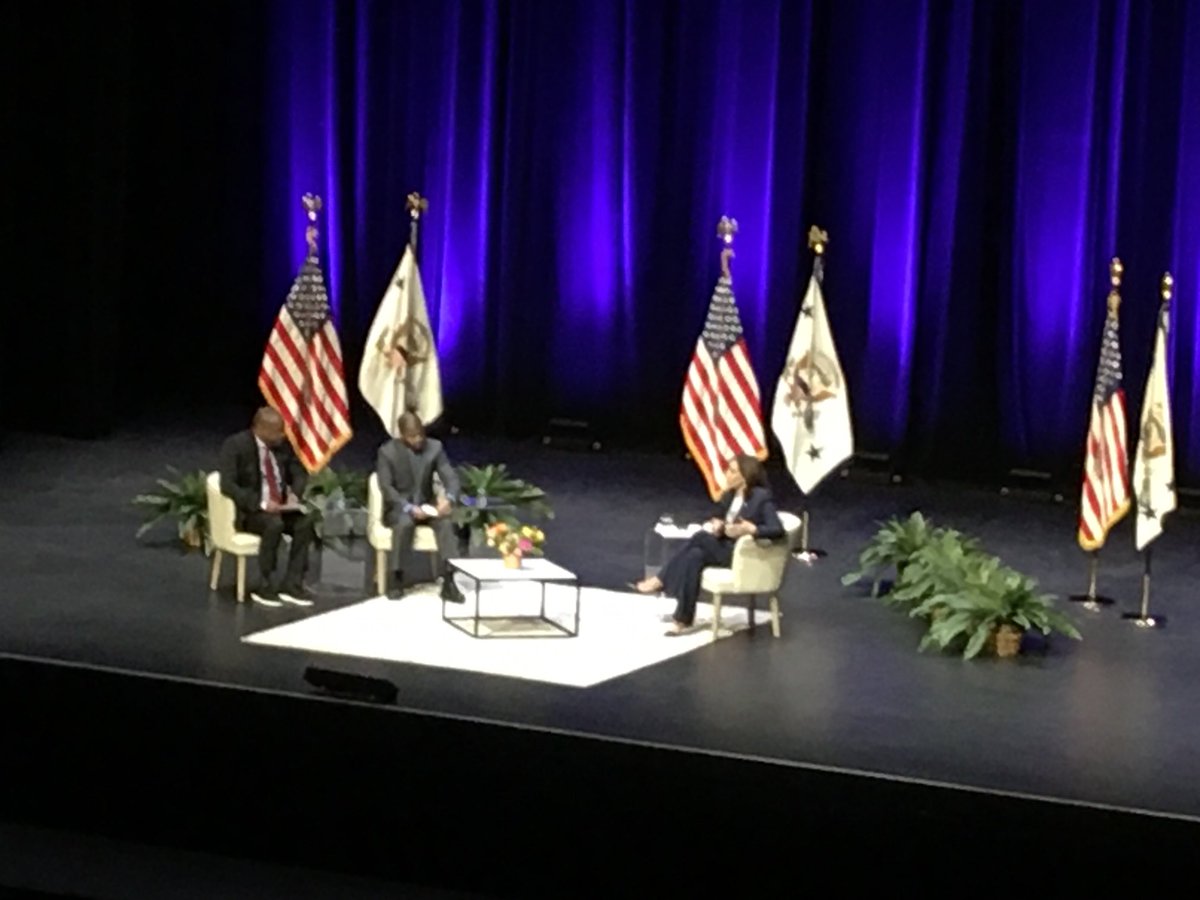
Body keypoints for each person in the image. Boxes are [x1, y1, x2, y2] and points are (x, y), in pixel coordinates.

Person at [633, 454, 784, 635]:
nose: (727, 474)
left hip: (742, 554)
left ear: (745, 476)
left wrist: (751, 529)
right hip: (723, 546)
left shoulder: (760, 498)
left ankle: (661, 579)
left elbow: (777, 529)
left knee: (700, 537)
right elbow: (718, 516)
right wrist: (718, 524)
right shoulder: (730, 496)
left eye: (732, 471)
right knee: (694, 556)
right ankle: (682, 620)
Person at [218, 407, 317, 607]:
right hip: (251, 511)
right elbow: (227, 485)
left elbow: (299, 472)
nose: (282, 435)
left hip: (280, 507)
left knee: (304, 523)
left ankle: (292, 584)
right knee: (274, 525)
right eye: (277, 431)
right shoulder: (236, 445)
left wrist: (294, 495)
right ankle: (265, 585)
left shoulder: (282, 445)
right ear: (260, 429)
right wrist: (261, 503)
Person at [377, 411, 464, 602]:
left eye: (420, 434)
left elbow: (450, 477)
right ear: (402, 435)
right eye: (412, 436)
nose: (418, 439)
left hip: (427, 504)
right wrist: (408, 507)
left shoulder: (435, 447)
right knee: (404, 524)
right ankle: (396, 577)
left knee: (446, 524)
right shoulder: (387, 451)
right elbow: (386, 487)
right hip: (401, 506)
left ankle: (449, 580)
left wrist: (448, 498)